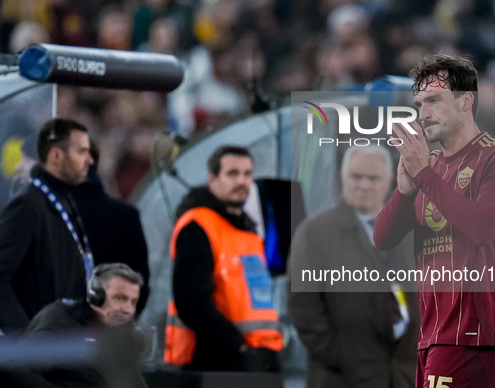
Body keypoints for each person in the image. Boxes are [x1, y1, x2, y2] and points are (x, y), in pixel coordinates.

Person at [373, 54, 495, 388]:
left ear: (465, 101)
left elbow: (485, 227)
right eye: (418, 104)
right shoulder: (428, 166)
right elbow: (382, 238)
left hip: (474, 329)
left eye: (434, 100)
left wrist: (425, 176)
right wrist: (403, 191)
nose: (423, 113)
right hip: (432, 331)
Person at [288, 146, 420, 388]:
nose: (364, 185)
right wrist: (341, 356)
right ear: (343, 178)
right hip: (341, 378)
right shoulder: (316, 232)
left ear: (389, 181)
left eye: (373, 178)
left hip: (402, 376)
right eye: (356, 177)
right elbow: (302, 305)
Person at [165, 145, 283, 371]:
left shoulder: (247, 231)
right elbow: (191, 301)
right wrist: (237, 345)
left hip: (258, 360)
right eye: (232, 173)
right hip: (217, 362)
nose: (242, 181)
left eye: (248, 174)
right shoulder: (198, 226)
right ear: (212, 179)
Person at [0, 118, 94, 335]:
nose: (18, 166)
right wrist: (27, 338)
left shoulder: (68, 203)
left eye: (24, 159)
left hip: (64, 340)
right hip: (39, 351)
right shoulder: (26, 205)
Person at [0, 263, 147, 388]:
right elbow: (14, 368)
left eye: (133, 302)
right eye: (120, 298)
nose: (128, 310)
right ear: (95, 297)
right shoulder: (63, 323)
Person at [72, 140, 150, 315]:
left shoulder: (48, 213)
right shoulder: (126, 214)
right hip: (112, 328)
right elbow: (141, 280)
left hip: (58, 332)